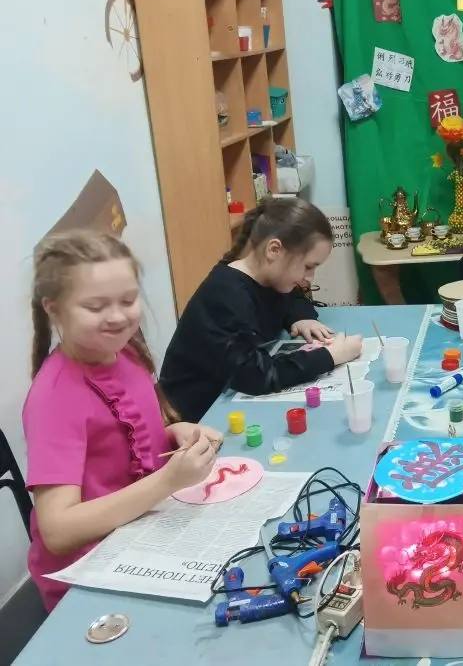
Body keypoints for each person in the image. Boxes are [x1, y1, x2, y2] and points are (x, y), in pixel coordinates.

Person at [24, 231, 221, 610]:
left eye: (128, 300)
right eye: (95, 306)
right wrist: (168, 481)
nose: (117, 317)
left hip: (144, 529)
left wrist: (173, 433)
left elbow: (123, 446)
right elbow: (58, 531)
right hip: (89, 572)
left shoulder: (126, 353)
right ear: (54, 309)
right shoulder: (54, 397)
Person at [160, 198, 362, 422]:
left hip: (227, 401)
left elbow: (290, 296)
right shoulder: (226, 294)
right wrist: (330, 356)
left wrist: (301, 317)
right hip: (196, 415)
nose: (309, 278)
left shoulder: (267, 276)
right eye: (308, 267)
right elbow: (256, 376)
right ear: (274, 250)